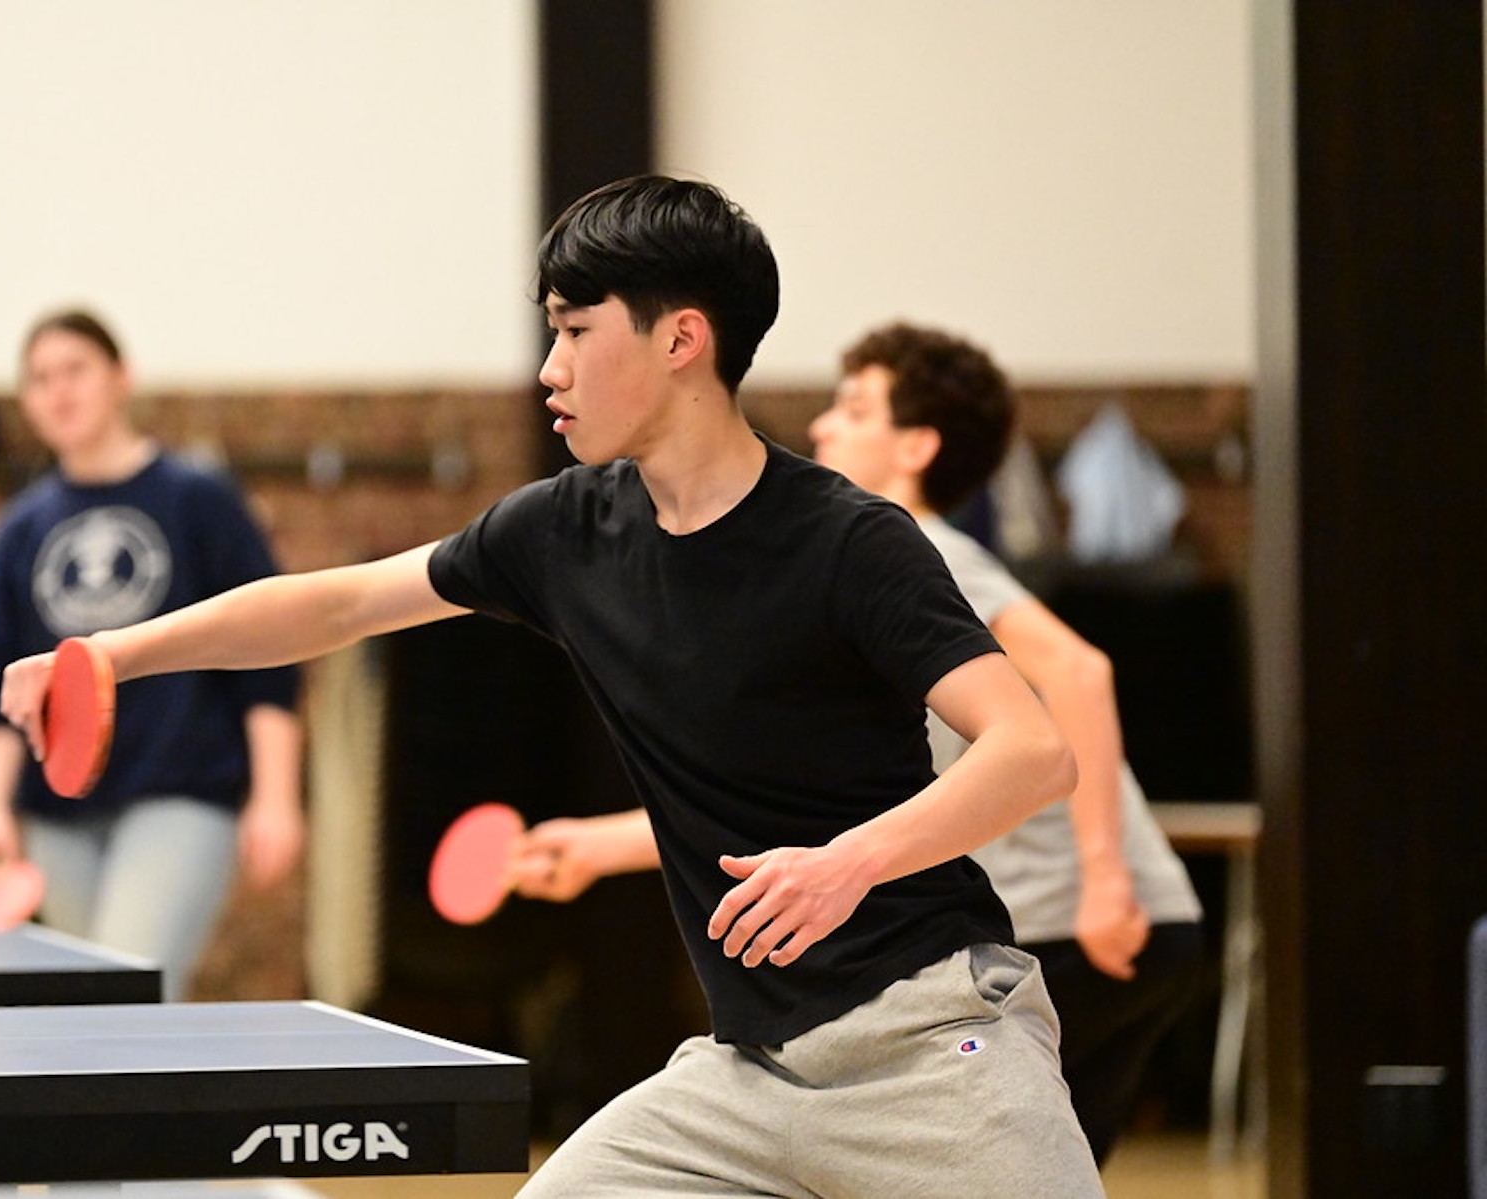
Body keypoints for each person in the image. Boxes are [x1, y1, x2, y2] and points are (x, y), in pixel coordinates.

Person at [0, 178, 1103, 1195]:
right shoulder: (567, 530)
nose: (550, 367)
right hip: (751, 1072)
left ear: (681, 338)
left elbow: (1029, 748)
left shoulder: (854, 543)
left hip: (936, 1045)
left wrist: (848, 863)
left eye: (576, 330)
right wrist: (110, 655)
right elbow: (335, 603)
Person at [512, 318, 1205, 1165]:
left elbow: (1082, 674)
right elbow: (787, 817)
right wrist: (596, 845)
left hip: (1075, 924)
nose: (821, 428)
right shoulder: (834, 566)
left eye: (854, 409)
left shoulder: (914, 545)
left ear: (916, 445)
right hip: (1079, 921)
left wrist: (1106, 878)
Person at [0, 307, 306, 1003]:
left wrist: (276, 796)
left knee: (130, 986)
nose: (59, 391)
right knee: (98, 1014)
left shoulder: (196, 497)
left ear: (122, 378)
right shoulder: (20, 527)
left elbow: (271, 656)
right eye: (40, 379)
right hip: (57, 811)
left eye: (75, 371)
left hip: (181, 789)